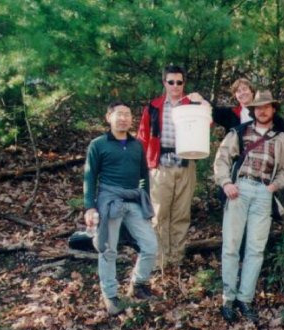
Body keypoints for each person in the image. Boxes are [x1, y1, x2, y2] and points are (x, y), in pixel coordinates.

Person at [213, 90, 284, 323]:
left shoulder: (281, 138)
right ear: (253, 110)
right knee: (231, 246)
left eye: (267, 107)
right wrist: (226, 183)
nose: (263, 111)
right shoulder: (239, 132)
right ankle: (228, 298)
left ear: (273, 109)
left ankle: (244, 299)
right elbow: (221, 160)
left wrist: (274, 186)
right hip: (240, 190)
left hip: (264, 193)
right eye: (258, 107)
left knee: (256, 249)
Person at [83, 101, 158, 316]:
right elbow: (90, 177)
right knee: (108, 248)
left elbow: (144, 175)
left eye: (127, 114)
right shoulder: (98, 145)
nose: (124, 118)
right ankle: (110, 294)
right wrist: (90, 207)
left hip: (133, 200)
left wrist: (146, 201)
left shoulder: (137, 145)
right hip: (109, 200)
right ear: (109, 117)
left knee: (150, 245)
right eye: (119, 114)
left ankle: (138, 283)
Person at [137, 64, 209, 270]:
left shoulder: (192, 104)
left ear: (184, 83)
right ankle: (159, 260)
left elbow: (209, 122)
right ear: (164, 83)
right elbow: (142, 137)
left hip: (186, 165)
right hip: (160, 166)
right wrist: (142, 167)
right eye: (171, 82)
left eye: (179, 82)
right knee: (160, 214)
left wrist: (202, 101)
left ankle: (175, 259)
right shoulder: (154, 106)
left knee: (181, 213)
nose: (175, 86)